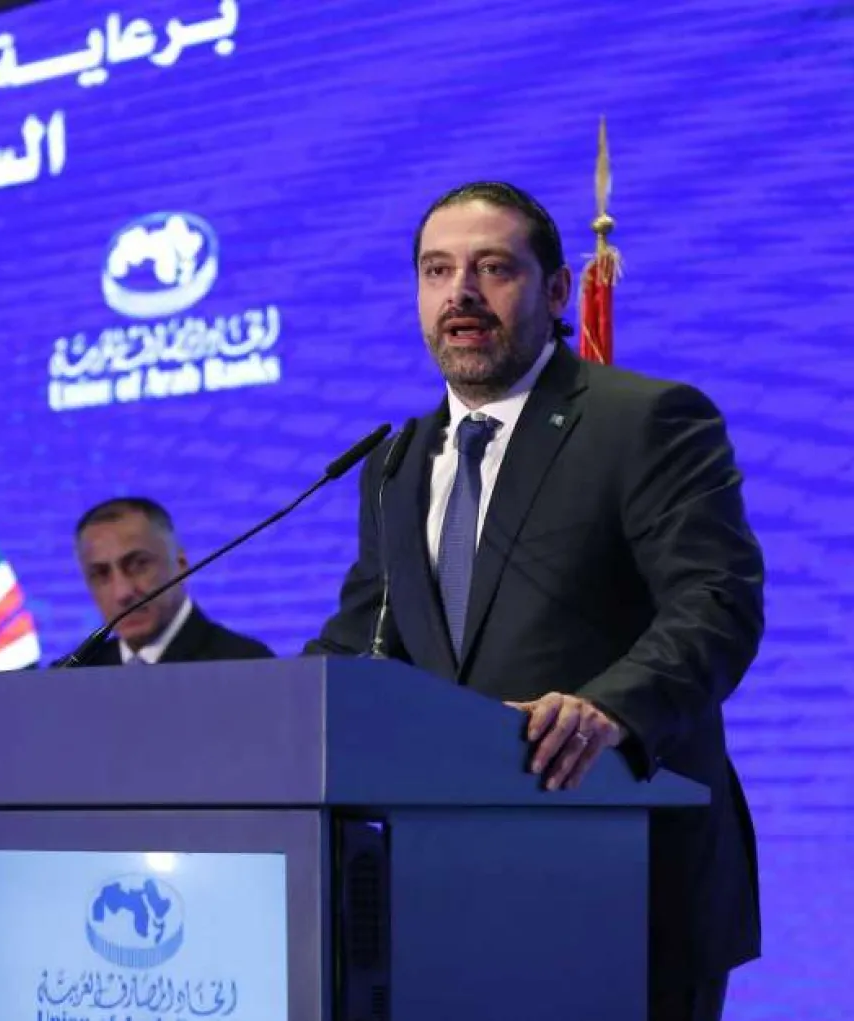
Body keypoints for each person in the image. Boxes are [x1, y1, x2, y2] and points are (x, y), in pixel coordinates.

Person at [306, 181, 763, 1021]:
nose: (461, 295)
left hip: (628, 879)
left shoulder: (644, 420)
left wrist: (607, 709)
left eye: (492, 268)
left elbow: (715, 602)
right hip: (453, 893)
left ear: (557, 291)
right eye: (437, 270)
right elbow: (362, 643)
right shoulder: (396, 462)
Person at [72, 497, 275, 665]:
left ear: (181, 565)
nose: (122, 593)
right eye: (100, 574)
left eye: (138, 565)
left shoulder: (245, 665)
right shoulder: (73, 678)